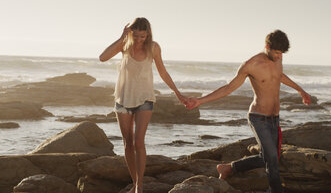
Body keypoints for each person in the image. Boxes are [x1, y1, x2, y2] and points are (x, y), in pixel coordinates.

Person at [186, 30, 311, 193]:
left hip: (274, 119)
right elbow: (229, 88)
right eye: (277, 52)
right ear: (267, 46)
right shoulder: (251, 65)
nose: (279, 56)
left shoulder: (278, 59)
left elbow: (279, 75)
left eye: (281, 53)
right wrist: (200, 101)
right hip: (258, 118)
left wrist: (301, 90)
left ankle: (229, 168)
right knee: (272, 158)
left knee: (269, 157)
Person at [99, 17, 187, 193]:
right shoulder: (124, 45)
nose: (139, 39)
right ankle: (135, 181)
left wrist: (178, 93)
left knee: (139, 141)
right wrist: (121, 36)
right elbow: (102, 57)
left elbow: (163, 72)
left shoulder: (153, 48)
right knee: (127, 143)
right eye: (136, 35)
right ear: (131, 33)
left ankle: (139, 186)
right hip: (122, 99)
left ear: (148, 34)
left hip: (145, 99)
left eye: (143, 36)